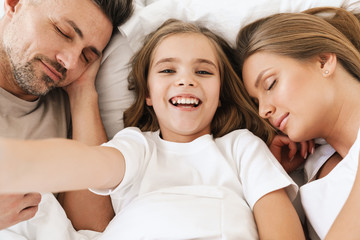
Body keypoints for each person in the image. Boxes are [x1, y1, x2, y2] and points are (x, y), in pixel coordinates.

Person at [0, 19, 305, 239]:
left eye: (203, 71)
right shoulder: (137, 146)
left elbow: (280, 227)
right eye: (168, 70)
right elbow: (91, 170)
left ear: (222, 93)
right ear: (147, 93)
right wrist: (23, 163)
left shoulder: (242, 147)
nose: (186, 80)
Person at [0, 0, 133, 232]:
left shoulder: (70, 111)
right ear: (15, 4)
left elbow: (92, 229)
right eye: (63, 32)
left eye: (87, 56)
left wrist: (83, 95)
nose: (70, 62)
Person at [236, 5, 360, 239]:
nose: (263, 111)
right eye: (256, 102)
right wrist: (272, 177)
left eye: (270, 84)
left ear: (323, 61)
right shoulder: (316, 180)